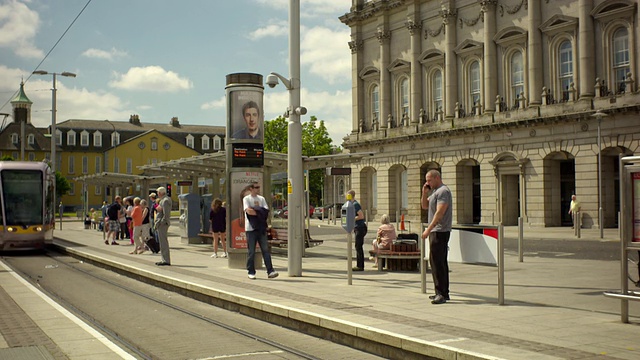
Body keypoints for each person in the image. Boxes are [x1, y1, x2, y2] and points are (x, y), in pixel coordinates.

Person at [421, 169, 453, 304]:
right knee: (435, 262)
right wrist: (424, 193)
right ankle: (440, 291)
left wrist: (428, 229)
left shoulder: (443, 191)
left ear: (437, 178)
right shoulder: (435, 192)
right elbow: (424, 206)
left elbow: (440, 212)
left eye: (429, 180)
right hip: (436, 230)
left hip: (440, 230)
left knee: (438, 262)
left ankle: (442, 293)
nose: (427, 182)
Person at [243, 182, 278, 279]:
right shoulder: (246, 199)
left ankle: (270, 271)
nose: (258, 189)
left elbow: (266, 211)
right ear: (251, 188)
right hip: (250, 228)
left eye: (259, 187)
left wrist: (256, 211)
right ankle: (251, 271)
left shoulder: (261, 199)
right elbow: (248, 211)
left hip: (261, 227)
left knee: (265, 250)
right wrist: (259, 211)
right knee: (251, 251)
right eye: (256, 187)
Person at [348, 189, 367, 271]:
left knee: (358, 246)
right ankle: (359, 265)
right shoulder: (352, 204)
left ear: (350, 196)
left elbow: (361, 216)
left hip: (360, 227)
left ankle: (360, 266)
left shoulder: (355, 204)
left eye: (347, 195)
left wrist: (352, 218)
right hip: (357, 227)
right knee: (358, 246)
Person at [154, 187, 172, 266]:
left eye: (158, 192)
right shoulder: (163, 200)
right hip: (160, 224)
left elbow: (166, 214)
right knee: (161, 242)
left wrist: (161, 222)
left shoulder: (165, 200)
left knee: (163, 242)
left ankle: (166, 260)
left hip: (162, 225)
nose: (157, 194)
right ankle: (164, 259)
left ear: (161, 193)